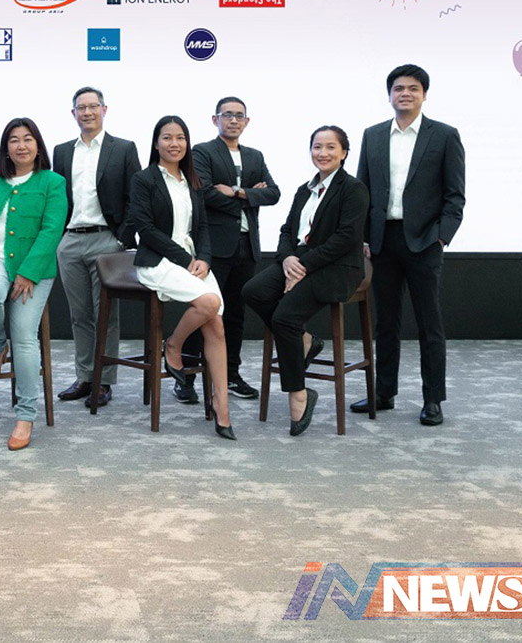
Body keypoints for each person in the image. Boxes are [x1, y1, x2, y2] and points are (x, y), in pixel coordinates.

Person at [353, 65, 465, 426]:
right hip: (382, 240)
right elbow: (362, 191)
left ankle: (433, 399)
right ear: (389, 95)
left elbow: (455, 195)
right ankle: (384, 392)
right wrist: (364, 237)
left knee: (429, 323)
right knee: (386, 322)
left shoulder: (444, 136)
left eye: (413, 88)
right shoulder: (372, 135)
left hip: (425, 240)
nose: (405, 93)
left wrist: (441, 236)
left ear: (424, 95)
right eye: (398, 88)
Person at [241, 126, 369, 436]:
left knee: (284, 319)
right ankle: (305, 340)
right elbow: (287, 230)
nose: (323, 153)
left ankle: (299, 394)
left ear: (344, 153)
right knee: (253, 291)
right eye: (317, 147)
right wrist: (287, 259)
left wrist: (303, 267)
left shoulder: (354, 189)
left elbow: (346, 238)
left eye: (331, 147)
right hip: (299, 260)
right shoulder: (304, 189)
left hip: (337, 267)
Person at [0, 118, 66, 451]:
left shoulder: (53, 182)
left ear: (38, 145)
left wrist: (29, 272)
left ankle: (25, 415)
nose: (21, 145)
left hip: (35, 268)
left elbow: (51, 231)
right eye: (14, 140)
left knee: (24, 336)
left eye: (28, 139)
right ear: (5, 148)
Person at [129, 115, 234, 440]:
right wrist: (186, 259)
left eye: (180, 138)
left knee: (216, 323)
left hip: (192, 261)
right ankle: (173, 344)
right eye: (167, 137)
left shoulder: (193, 181)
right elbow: (146, 230)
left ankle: (221, 404)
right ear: (156, 142)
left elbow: (202, 228)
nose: (174, 143)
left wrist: (204, 259)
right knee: (210, 303)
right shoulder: (143, 179)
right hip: (159, 261)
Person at [190, 96, 284, 402]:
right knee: (203, 311)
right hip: (215, 247)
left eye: (239, 116)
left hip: (246, 246)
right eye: (227, 115)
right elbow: (205, 194)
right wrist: (251, 196)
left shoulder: (255, 156)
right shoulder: (202, 152)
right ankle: (187, 376)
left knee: (235, 315)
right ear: (215, 119)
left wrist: (237, 191)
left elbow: (274, 193)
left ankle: (231, 374)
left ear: (247, 121)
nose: (233, 120)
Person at [52, 86, 141, 408]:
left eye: (93, 106)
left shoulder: (124, 148)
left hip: (107, 240)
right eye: (81, 107)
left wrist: (122, 239)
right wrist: (59, 238)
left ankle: (103, 380)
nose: (87, 112)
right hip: (71, 240)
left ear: (104, 109)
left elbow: (135, 197)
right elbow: (58, 198)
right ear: (73, 113)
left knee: (105, 314)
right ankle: (84, 377)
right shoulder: (62, 151)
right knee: (79, 315)